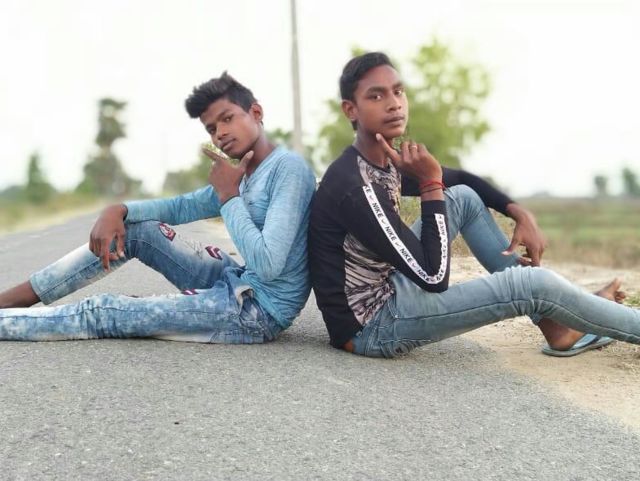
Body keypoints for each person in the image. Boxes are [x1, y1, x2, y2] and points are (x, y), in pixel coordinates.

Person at [308, 52, 636, 358]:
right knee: (533, 285)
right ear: (350, 110)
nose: (394, 104)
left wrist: (518, 211)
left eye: (398, 91)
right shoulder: (356, 187)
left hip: (390, 287)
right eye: (376, 96)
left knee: (463, 197)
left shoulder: (381, 158)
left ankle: (559, 326)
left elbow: (462, 179)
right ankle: (589, 319)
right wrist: (430, 183)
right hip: (372, 326)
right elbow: (433, 277)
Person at [0, 72, 316, 343]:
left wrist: (230, 197)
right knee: (137, 231)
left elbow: (269, 265)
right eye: (211, 128)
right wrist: (119, 209)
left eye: (228, 118)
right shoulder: (244, 175)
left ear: (256, 113)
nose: (219, 133)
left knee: (103, 311)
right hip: (237, 279)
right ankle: (18, 297)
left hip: (257, 310)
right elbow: (179, 207)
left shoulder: (288, 169)